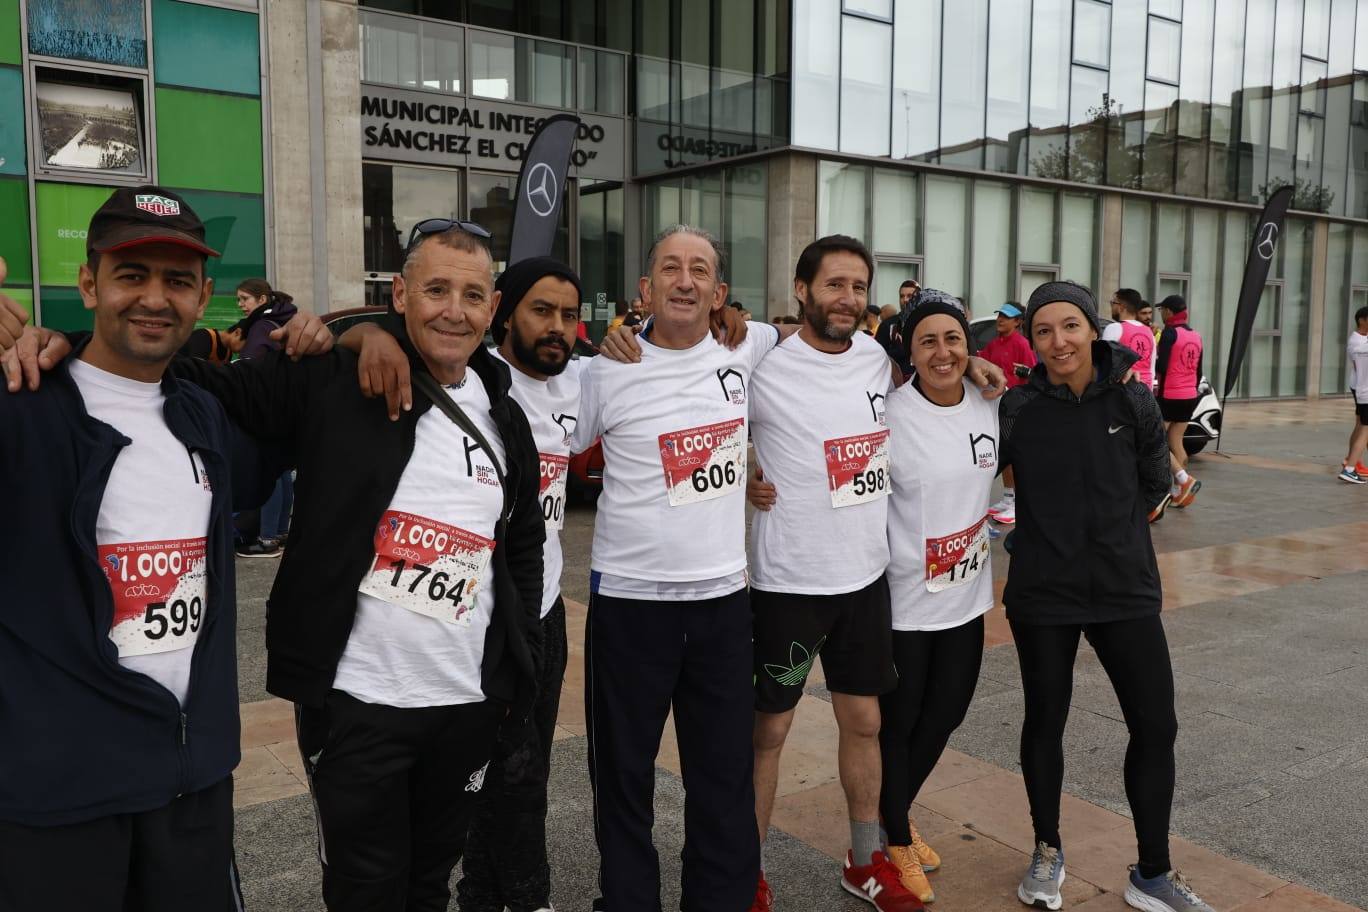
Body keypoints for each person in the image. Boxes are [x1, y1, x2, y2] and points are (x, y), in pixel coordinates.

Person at [0, 186, 254, 910]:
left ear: (203, 298)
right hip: (61, 798)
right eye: (131, 275)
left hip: (192, 784)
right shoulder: (21, 401)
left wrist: (365, 335)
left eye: (177, 281)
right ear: (89, 284)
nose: (154, 299)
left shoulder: (202, 410)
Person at [574, 225, 787, 912]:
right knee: (624, 777)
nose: (686, 280)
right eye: (670, 267)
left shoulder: (748, 346)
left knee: (722, 779)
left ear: (721, 293)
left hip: (723, 607)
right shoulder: (604, 370)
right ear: (646, 289)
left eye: (700, 271)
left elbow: (838, 351)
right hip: (630, 606)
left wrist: (967, 365)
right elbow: (536, 410)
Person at [1000, 281, 1214, 912]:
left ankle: (1152, 871)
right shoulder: (1017, 407)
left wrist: (1112, 532)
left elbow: (1154, 481)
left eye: (1070, 326)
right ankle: (1046, 850)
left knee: (1156, 723)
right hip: (1043, 590)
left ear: (1092, 328)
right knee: (1046, 719)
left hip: (1124, 586)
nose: (1058, 341)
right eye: (1044, 331)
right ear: (1033, 340)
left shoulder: (1134, 398)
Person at [743, 235, 919, 912]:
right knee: (769, 734)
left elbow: (929, 383)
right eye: (833, 285)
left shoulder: (876, 356)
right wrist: (745, 483)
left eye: (857, 286)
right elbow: (712, 422)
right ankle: (748, 874)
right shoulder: (764, 359)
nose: (846, 299)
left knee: (865, 723)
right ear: (802, 290)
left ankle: (866, 860)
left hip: (863, 578)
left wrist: (977, 375)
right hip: (788, 582)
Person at [878, 294, 999, 905]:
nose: (943, 352)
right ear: (909, 350)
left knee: (946, 714)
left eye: (952, 338)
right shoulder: (891, 414)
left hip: (968, 596)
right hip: (905, 601)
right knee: (900, 723)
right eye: (928, 341)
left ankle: (891, 812)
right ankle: (894, 834)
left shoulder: (988, 404)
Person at [977, 302, 1034, 525]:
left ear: (1018, 322)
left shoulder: (1022, 344)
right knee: (1001, 454)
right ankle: (1009, 497)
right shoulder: (993, 344)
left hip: (1016, 407)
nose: (1000, 319)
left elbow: (1031, 376)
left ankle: (1018, 502)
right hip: (996, 406)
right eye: (999, 314)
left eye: (1006, 316)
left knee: (1015, 454)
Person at [1155, 295, 1203, 508]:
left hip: (1169, 395)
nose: (1161, 314)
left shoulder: (1169, 333)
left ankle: (1182, 482)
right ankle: (1182, 491)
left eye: (1162, 310)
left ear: (1169, 312)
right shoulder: (1196, 335)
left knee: (1155, 442)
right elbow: (1199, 369)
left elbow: (1162, 366)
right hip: (1189, 395)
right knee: (1176, 442)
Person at [1103, 289, 1157, 390]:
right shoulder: (1149, 332)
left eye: (1113, 303)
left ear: (1121, 307)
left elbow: (1103, 365)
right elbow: (1151, 369)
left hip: (1122, 392)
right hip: (1145, 393)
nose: (1111, 307)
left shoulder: (1114, 328)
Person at [234, 277, 299, 360]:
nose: (240, 304)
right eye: (238, 299)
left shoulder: (261, 327)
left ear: (262, 299)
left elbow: (248, 368)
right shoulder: (283, 317)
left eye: (245, 298)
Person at [1340, 305, 1368, 483]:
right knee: (1365, 430)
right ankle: (1350, 467)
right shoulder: (1359, 345)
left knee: (1361, 425)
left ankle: (1352, 462)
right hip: (1365, 390)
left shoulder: (1360, 341)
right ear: (1362, 320)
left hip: (1361, 388)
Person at [874, 278, 921, 367]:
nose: (905, 300)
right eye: (902, 296)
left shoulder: (927, 323)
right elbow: (877, 357)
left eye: (910, 296)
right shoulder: (888, 325)